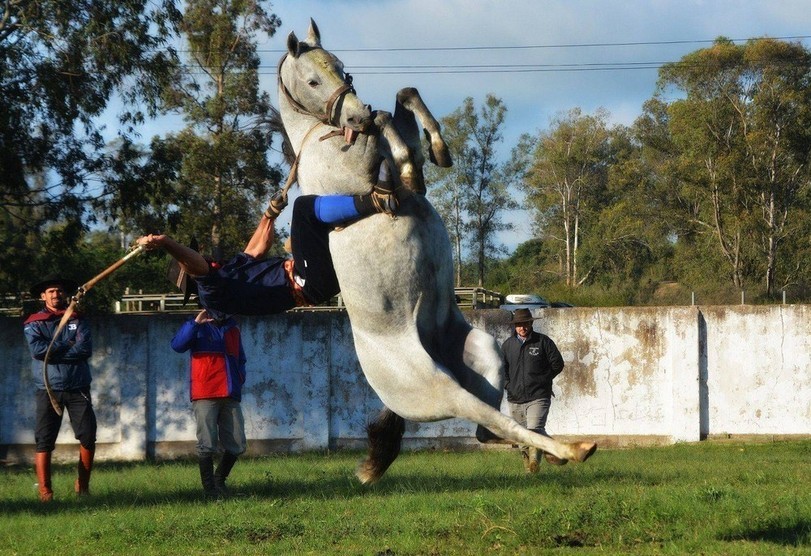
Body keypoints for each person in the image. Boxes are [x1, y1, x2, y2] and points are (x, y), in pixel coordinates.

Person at [136, 187, 398, 318]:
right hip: (306, 282)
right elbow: (196, 267)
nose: (202, 256)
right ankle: (377, 199)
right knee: (305, 208)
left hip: (306, 276)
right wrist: (165, 242)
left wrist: (269, 214)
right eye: (196, 257)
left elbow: (257, 247)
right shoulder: (211, 293)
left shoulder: (228, 272)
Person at [23, 274, 97, 501]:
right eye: (51, 291)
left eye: (59, 290)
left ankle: (82, 487)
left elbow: (84, 349)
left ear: (64, 294)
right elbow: (38, 352)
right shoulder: (34, 322)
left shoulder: (77, 318)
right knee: (44, 440)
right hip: (48, 389)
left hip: (78, 387)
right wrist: (66, 343)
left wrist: (54, 351)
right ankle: (45, 492)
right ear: (43, 296)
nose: (56, 294)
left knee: (88, 436)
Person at [171, 309, 247, 498]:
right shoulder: (197, 327)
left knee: (238, 443)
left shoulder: (233, 329)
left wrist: (239, 378)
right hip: (205, 392)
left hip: (230, 392)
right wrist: (195, 323)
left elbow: (241, 359)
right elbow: (177, 345)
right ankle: (210, 490)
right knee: (207, 443)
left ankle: (219, 479)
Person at [501, 308, 567, 473]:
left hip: (538, 396)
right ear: (515, 326)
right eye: (519, 324)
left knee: (534, 430)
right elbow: (502, 369)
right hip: (515, 397)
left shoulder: (543, 342)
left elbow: (557, 363)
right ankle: (530, 470)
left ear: (531, 323)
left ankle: (534, 464)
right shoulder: (508, 345)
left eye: (525, 324)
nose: (522, 327)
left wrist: (543, 380)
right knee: (522, 438)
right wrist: (508, 385)